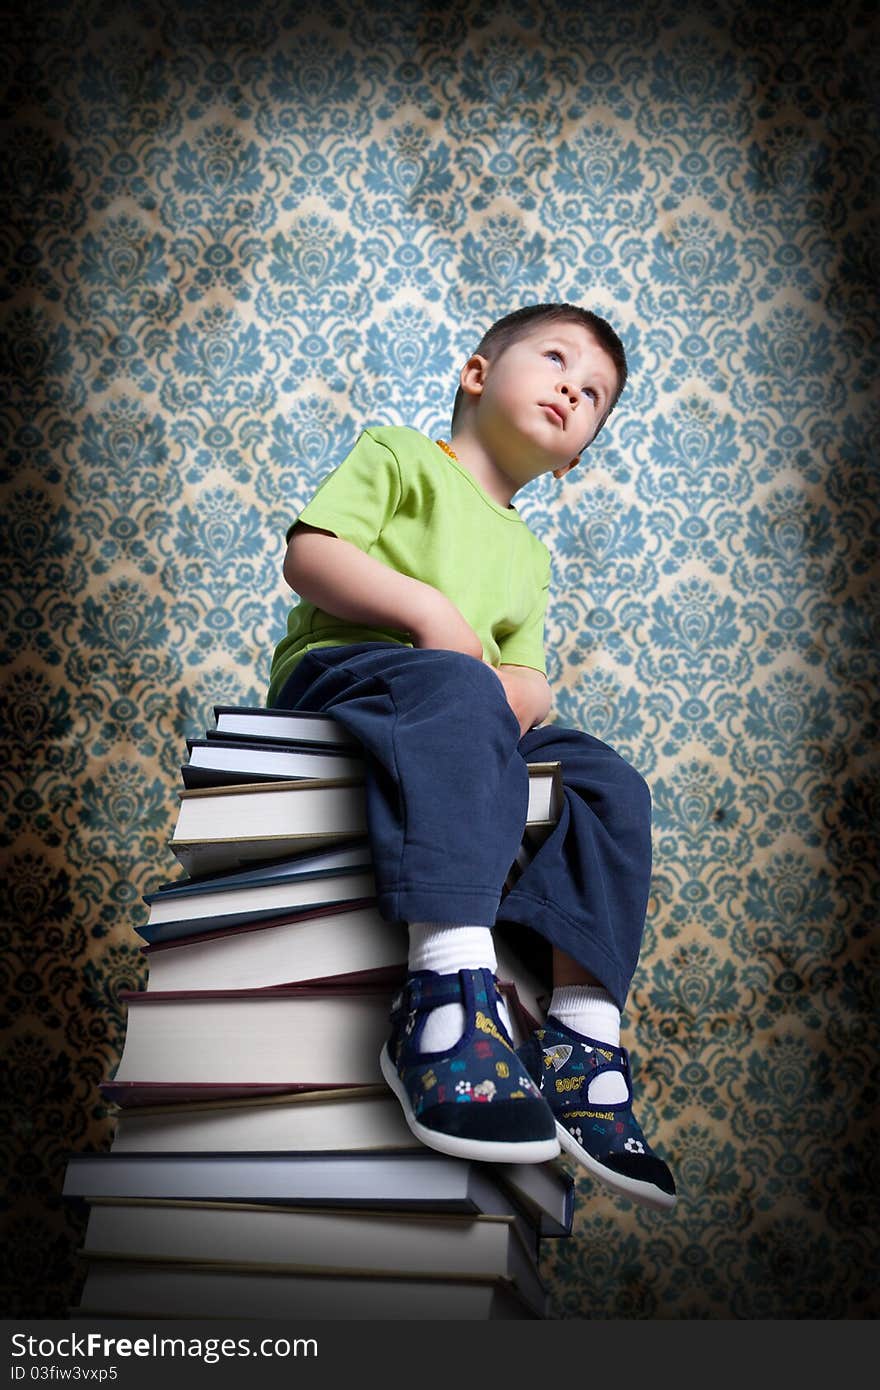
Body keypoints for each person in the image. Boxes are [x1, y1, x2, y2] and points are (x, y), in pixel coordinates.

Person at [267, 303, 676, 1211]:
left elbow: (527, 681)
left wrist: (503, 692)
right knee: (455, 691)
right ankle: (447, 993)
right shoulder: (399, 455)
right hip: (351, 674)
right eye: (557, 360)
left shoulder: (527, 554)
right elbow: (312, 555)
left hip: (464, 707)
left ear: (575, 459)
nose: (574, 386)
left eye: (595, 393)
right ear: (478, 375)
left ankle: (582, 1039)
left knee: (606, 778)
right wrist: (430, 619)